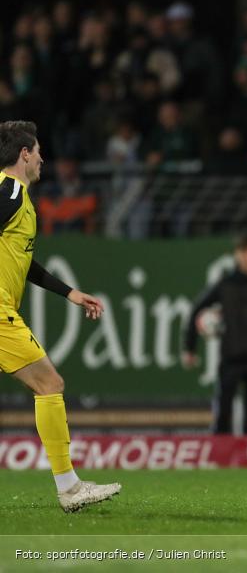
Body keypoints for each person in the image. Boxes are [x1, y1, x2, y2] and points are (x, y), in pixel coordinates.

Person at [0, 121, 120, 511]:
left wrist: (69, 293)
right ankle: (69, 489)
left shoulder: (17, 198)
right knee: (49, 384)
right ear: (24, 155)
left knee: (49, 384)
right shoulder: (10, 193)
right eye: (37, 152)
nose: (42, 159)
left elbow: (24, 262)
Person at [182, 233, 247, 435]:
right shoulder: (226, 285)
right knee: (223, 418)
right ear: (237, 255)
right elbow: (196, 310)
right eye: (243, 252)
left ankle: (246, 462)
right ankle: (220, 461)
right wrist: (189, 347)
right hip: (232, 359)